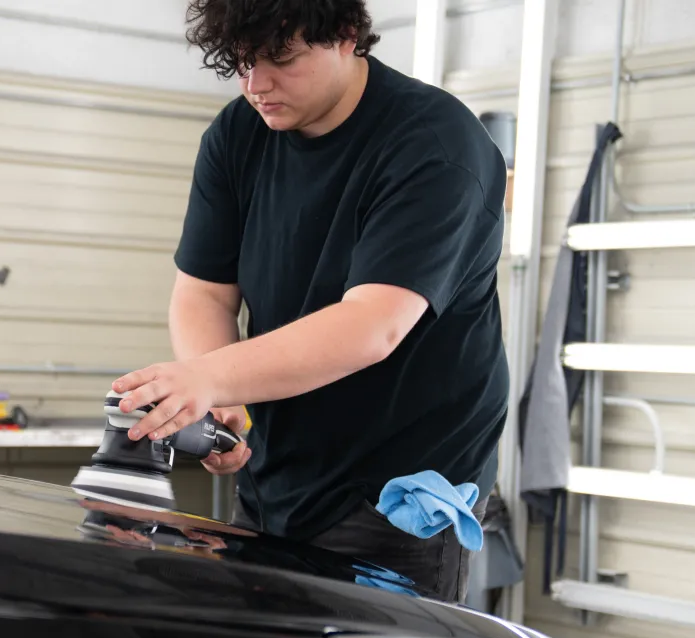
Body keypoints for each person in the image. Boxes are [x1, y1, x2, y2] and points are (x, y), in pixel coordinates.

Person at [108, 0, 510, 602]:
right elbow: (203, 294)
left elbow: (371, 326)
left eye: (280, 60)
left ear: (346, 36)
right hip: (277, 480)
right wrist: (226, 403)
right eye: (241, 63)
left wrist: (209, 378)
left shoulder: (436, 146)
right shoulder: (238, 134)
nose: (255, 85)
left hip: (394, 497)